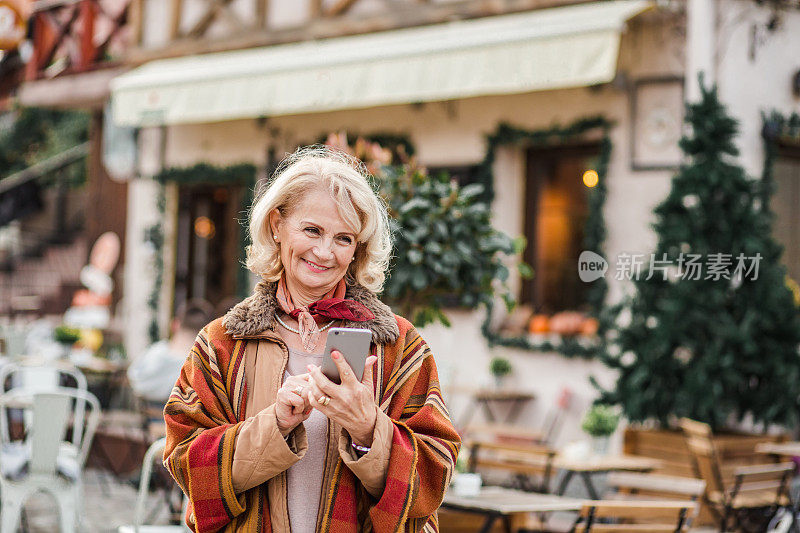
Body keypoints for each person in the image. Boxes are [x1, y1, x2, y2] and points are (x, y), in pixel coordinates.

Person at [164, 146, 460, 532]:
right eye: (312, 230)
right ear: (277, 225)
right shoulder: (222, 342)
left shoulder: (400, 346)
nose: (324, 252)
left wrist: (369, 428)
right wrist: (274, 426)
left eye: (343, 238)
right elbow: (186, 463)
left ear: (358, 249)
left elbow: (434, 475)